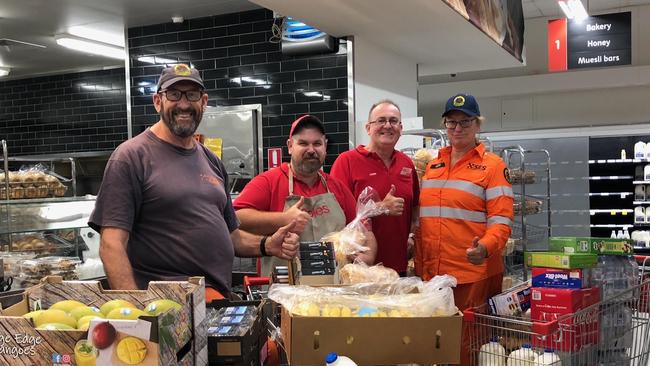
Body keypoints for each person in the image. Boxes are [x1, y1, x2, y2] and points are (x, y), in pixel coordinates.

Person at [88, 64, 299, 299]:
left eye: (192, 95)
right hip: (167, 305)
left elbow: (231, 236)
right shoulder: (131, 156)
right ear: (158, 101)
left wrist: (266, 245)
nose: (184, 104)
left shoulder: (210, 160)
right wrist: (137, 311)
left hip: (213, 299)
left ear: (204, 101)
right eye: (174, 94)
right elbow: (111, 245)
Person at [234, 115, 377, 276]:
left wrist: (367, 255)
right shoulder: (267, 182)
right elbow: (235, 218)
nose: (311, 150)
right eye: (303, 143)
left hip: (333, 292)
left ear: (325, 146)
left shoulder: (337, 187)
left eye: (317, 143)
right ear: (290, 146)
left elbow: (364, 228)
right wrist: (283, 219)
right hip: (284, 291)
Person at [416, 93, 513, 312]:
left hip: (472, 274)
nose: (457, 128)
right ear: (445, 125)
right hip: (433, 275)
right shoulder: (433, 166)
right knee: (440, 340)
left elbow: (502, 220)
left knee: (468, 342)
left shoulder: (493, 166)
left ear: (477, 124)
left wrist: (485, 248)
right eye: (452, 122)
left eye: (465, 121)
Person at [330, 100, 419, 275]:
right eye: (381, 120)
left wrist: (411, 237)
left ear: (400, 128)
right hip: (358, 269)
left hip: (397, 268)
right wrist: (381, 208)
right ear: (368, 128)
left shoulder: (406, 163)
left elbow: (415, 207)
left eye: (393, 121)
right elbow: (335, 215)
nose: (388, 125)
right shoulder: (346, 161)